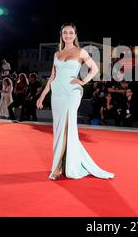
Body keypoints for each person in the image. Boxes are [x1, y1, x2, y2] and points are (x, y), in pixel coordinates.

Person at [36, 23, 115, 180]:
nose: (68, 35)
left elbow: (95, 69)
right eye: (65, 32)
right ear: (61, 35)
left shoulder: (81, 51)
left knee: (66, 126)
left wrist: (83, 81)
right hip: (57, 93)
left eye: (70, 33)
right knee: (59, 129)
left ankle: (58, 167)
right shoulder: (57, 54)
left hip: (72, 93)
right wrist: (43, 95)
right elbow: (52, 77)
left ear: (75, 35)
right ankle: (67, 162)